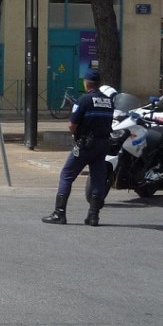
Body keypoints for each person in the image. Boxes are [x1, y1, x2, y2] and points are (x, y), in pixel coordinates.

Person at [42, 69, 115, 226]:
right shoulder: (109, 102)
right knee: (97, 179)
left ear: (87, 83)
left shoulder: (84, 100)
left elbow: (72, 125)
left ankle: (59, 213)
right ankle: (93, 216)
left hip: (85, 145)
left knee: (66, 175)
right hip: (102, 145)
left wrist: (77, 134)